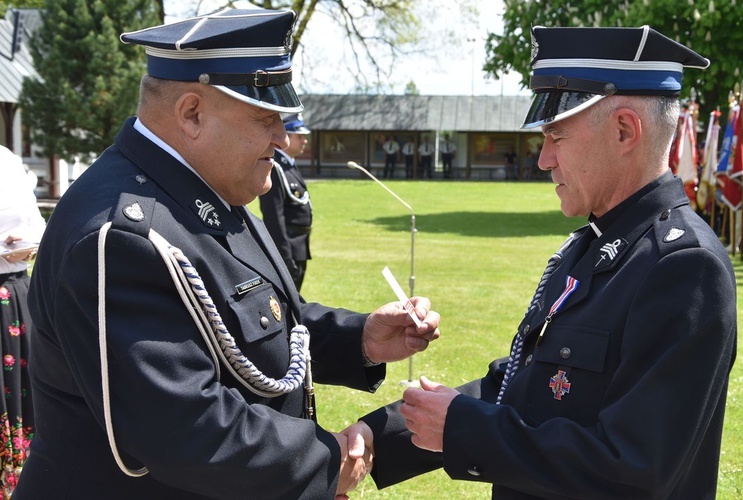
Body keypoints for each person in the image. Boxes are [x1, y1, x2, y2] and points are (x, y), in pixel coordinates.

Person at [14, 9, 440, 499]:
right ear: (191, 114)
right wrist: (322, 461)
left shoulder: (203, 192)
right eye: (265, 119)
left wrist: (358, 339)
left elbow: (258, 326)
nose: (283, 141)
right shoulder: (120, 237)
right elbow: (184, 428)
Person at [344, 25, 737, 499]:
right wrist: (380, 436)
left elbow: (634, 469)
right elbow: (522, 386)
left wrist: (465, 429)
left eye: (556, 135)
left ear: (624, 130)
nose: (543, 159)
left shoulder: (683, 266)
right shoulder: (593, 245)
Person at [0, 145, 45, 498]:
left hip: (15, 297)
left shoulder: (7, 159)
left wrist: (28, 243)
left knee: (23, 395)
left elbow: (36, 228)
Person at [259, 113, 313, 291]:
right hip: (288, 246)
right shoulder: (275, 168)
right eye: (300, 136)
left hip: (299, 245)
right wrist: (284, 256)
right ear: (286, 136)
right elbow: (274, 215)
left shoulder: (289, 165)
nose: (305, 141)